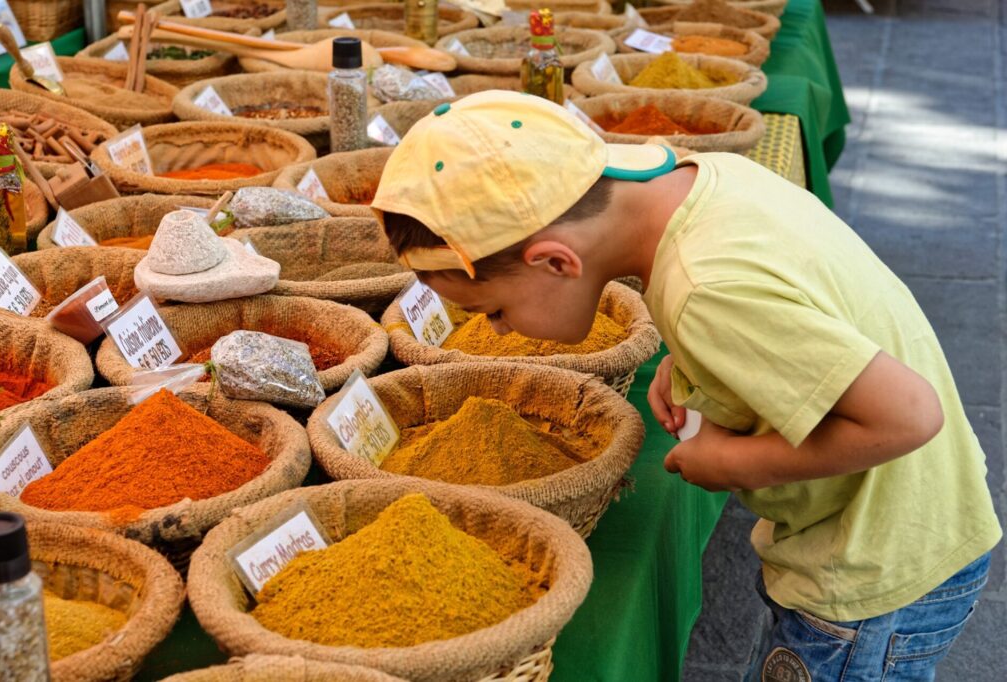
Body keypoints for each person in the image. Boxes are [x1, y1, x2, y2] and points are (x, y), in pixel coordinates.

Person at [370, 91, 1002, 681]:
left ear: (557, 262)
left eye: (495, 312)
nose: (500, 333)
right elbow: (784, 300)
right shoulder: (700, 185)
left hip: (874, 578)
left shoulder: (707, 290)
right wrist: (695, 360)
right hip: (908, 524)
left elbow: (908, 417)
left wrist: (735, 459)